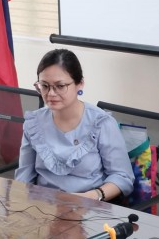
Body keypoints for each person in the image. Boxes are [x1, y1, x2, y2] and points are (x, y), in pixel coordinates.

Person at [15, 48, 134, 202]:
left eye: (60, 86)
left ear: (80, 84)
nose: (51, 93)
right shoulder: (34, 123)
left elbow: (122, 177)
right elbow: (24, 177)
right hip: (43, 207)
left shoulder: (101, 123)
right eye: (44, 86)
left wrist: (92, 196)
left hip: (88, 208)